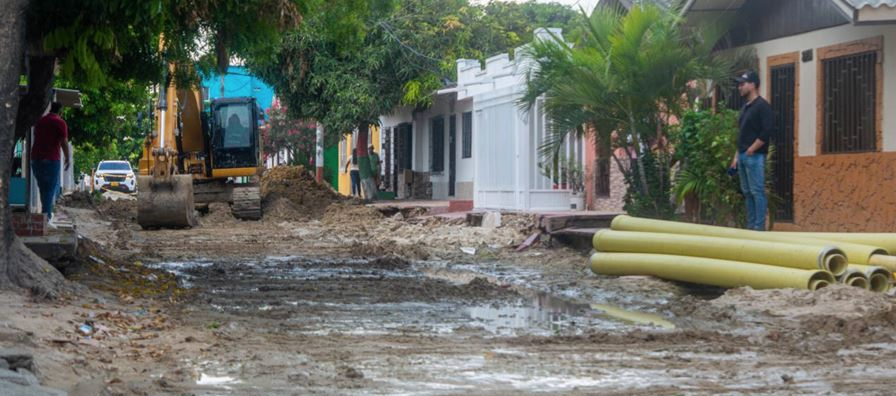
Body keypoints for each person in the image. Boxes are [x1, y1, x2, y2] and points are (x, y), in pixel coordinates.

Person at [729, 71, 773, 231]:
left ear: (753, 85)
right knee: (747, 192)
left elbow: (766, 131)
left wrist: (751, 150)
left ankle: (758, 228)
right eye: (739, 84)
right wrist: (736, 157)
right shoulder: (745, 107)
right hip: (742, 156)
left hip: (754, 156)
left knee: (757, 192)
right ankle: (750, 226)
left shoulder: (763, 106)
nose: (739, 87)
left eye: (743, 83)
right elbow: (741, 134)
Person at [31, 102, 70, 223]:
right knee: (49, 189)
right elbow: (63, 141)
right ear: (61, 112)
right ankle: (46, 218)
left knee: (43, 188)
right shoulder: (60, 122)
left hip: (36, 159)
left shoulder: (40, 121)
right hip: (51, 159)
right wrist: (68, 158)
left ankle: (45, 215)